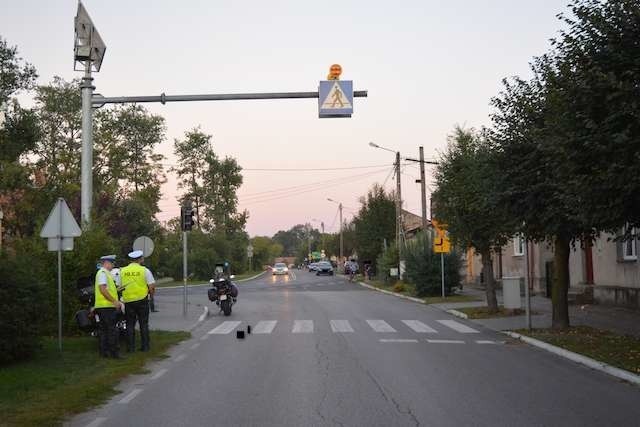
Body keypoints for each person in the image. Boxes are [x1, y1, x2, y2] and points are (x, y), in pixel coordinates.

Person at [120, 250, 156, 352]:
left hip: (128, 301)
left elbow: (119, 287)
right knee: (143, 324)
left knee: (130, 325)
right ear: (140, 259)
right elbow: (152, 286)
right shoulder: (144, 270)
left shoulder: (122, 271)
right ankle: (145, 347)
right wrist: (151, 297)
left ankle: (130, 348)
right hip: (142, 300)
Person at [94, 254, 124, 359]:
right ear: (106, 263)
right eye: (112, 263)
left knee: (104, 331)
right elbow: (102, 289)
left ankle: (104, 353)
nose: (113, 265)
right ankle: (114, 353)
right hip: (107, 306)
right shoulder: (103, 273)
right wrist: (114, 301)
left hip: (103, 306)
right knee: (112, 330)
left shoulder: (105, 273)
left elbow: (106, 289)